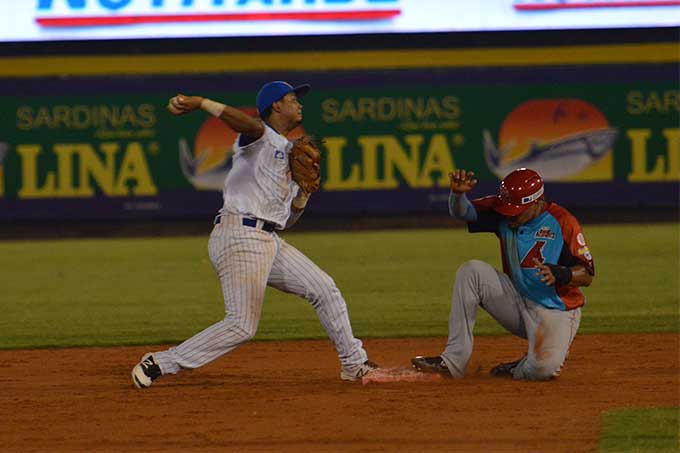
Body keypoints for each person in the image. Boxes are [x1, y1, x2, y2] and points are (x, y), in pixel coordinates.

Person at [132, 81, 377, 388]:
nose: (299, 105)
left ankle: (354, 364)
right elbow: (245, 123)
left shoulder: (291, 153)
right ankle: (160, 362)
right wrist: (202, 102)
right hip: (240, 235)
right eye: (292, 99)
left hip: (267, 238)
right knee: (242, 325)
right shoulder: (260, 137)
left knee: (324, 289)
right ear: (276, 106)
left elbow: (286, 221)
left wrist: (303, 195)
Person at [411, 168, 594, 380]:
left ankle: (521, 367)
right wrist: (458, 195)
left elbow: (587, 274)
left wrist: (561, 273)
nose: (509, 214)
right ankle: (453, 361)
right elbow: (464, 213)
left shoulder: (563, 222)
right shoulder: (503, 210)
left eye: (517, 210)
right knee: (471, 272)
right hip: (516, 300)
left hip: (555, 310)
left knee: (542, 369)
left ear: (537, 202)